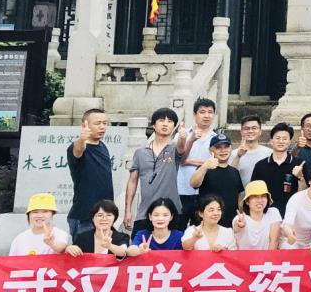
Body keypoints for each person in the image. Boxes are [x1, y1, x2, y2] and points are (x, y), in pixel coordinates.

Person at [124, 107, 181, 237]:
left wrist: (184, 137)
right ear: (154, 125)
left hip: (171, 213)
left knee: (171, 249)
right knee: (138, 247)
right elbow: (132, 181)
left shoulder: (175, 149)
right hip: (145, 213)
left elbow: (183, 147)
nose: (165, 124)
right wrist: (128, 211)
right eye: (161, 120)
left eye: (170, 121)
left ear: (174, 126)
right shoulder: (140, 152)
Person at [67, 107, 113, 240]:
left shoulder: (102, 146)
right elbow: (78, 150)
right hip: (84, 217)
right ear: (85, 125)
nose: (102, 127)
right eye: (97, 123)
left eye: (105, 123)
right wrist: (82, 140)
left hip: (104, 215)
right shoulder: (77, 147)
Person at [177, 98, 217, 223]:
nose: (206, 115)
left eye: (210, 112)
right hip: (182, 189)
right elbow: (179, 160)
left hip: (205, 191)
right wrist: (205, 162)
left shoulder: (217, 139)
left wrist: (189, 161)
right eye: (202, 112)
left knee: (202, 229)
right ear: (195, 115)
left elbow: (217, 163)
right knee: (179, 228)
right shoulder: (183, 135)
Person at [190, 133, 243, 226]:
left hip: (230, 223)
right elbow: (193, 183)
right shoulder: (205, 168)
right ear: (211, 150)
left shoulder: (235, 171)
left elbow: (238, 198)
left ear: (231, 148)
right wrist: (205, 166)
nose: (223, 150)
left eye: (226, 147)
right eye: (218, 147)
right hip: (208, 223)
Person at [252, 122, 299, 216]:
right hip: (265, 215)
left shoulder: (298, 164)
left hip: (291, 215)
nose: (281, 141)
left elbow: (305, 192)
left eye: (284, 139)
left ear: (289, 142)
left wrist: (300, 177)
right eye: (277, 138)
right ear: (271, 141)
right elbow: (253, 191)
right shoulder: (260, 165)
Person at [67, 200, 139, 258]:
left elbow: (124, 252)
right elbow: (73, 253)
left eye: (109, 215)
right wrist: (68, 248)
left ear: (114, 218)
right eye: (100, 215)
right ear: (93, 218)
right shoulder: (82, 237)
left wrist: (110, 246)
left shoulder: (122, 237)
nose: (104, 219)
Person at [232, 180, 282, 250]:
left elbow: (274, 241)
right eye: (255, 197)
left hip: (267, 256)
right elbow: (236, 228)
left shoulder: (273, 212)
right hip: (243, 256)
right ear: (247, 201)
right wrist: (240, 226)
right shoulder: (239, 218)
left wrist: (268, 257)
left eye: (263, 196)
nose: (260, 200)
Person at [233, 115, 271, 185]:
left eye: (254, 128)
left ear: (260, 131)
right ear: (241, 132)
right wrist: (237, 157)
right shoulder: (233, 154)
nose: (250, 131)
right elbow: (228, 177)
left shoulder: (270, 153)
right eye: (246, 128)